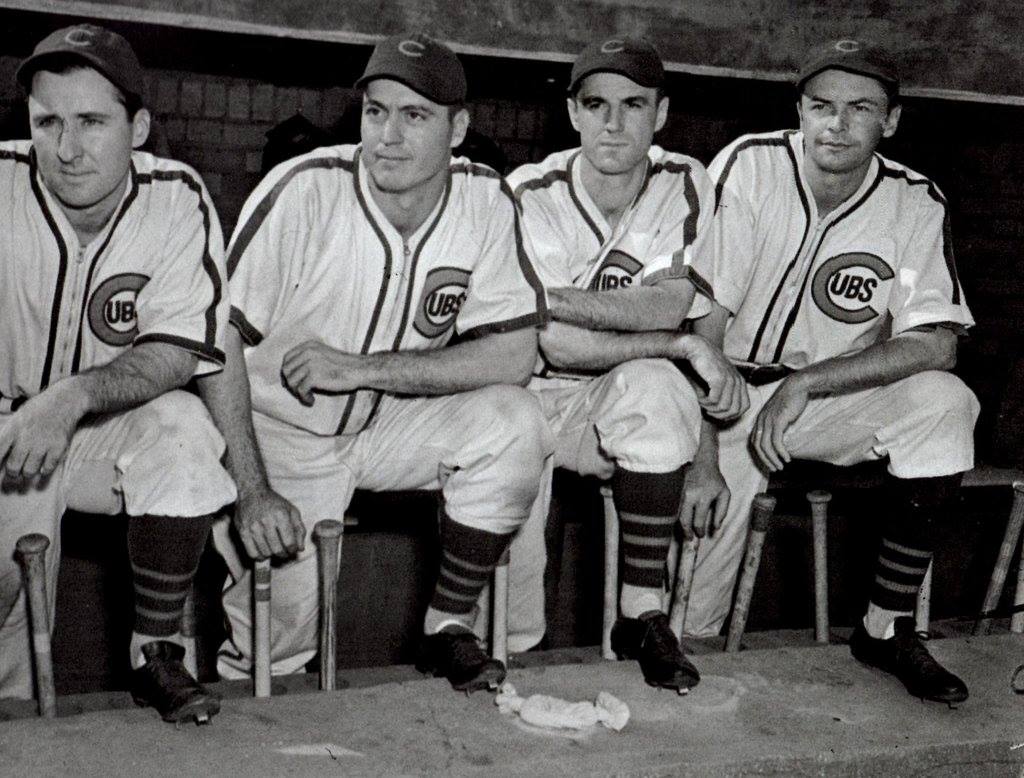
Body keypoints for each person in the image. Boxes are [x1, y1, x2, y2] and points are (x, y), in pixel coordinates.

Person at [199, 33, 552, 693]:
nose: (387, 135)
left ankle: (448, 626)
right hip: (282, 434)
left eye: (414, 116)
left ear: (458, 128)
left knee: (517, 420)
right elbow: (214, 339)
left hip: (389, 420)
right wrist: (250, 488)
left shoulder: (485, 199)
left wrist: (361, 368)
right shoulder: (305, 189)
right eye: (376, 112)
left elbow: (516, 353)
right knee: (275, 647)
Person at [683, 39, 978, 703]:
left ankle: (884, 624)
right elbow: (701, 324)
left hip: (821, 397)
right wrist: (698, 455)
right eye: (821, 106)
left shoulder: (912, 201)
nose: (836, 124)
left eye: (859, 109)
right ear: (800, 111)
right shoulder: (751, 166)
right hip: (724, 397)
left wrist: (807, 383)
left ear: (891, 121)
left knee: (944, 402)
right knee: (694, 611)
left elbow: (935, 343)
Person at [0, 24, 236, 723]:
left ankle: (157, 653)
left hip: (100, 431)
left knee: (183, 427)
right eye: (48, 122)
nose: (66, 149)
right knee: (6, 619)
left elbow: (178, 350)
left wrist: (72, 397)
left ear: (138, 127)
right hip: (3, 430)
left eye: (92, 122)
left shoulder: (175, 196)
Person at [502, 37, 747, 692]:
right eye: (596, 104)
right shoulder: (529, 190)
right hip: (523, 396)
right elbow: (548, 342)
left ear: (660, 113)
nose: (613, 123)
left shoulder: (684, 181)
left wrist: (566, 303)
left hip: (604, 396)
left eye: (632, 105)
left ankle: (641, 614)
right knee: (513, 623)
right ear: (573, 113)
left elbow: (671, 303)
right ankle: (510, 659)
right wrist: (670, 337)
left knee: (660, 387)